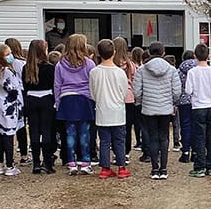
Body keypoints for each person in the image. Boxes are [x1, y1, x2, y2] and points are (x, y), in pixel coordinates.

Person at [133, 41, 180, 179]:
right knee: (164, 137)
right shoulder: (171, 70)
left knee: (153, 137)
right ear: (163, 52)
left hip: (149, 107)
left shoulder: (142, 70)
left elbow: (137, 91)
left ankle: (154, 169)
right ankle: (163, 169)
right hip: (166, 108)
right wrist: (171, 102)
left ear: (149, 52)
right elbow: (177, 91)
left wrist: (141, 101)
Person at [53, 33, 96, 175]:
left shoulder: (60, 64)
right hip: (84, 99)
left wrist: (58, 102)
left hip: (67, 99)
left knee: (69, 133)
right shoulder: (89, 63)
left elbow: (57, 85)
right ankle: (85, 162)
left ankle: (71, 162)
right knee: (84, 133)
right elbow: (92, 83)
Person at [89, 39, 131, 179]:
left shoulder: (94, 72)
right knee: (119, 140)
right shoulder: (120, 72)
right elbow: (124, 92)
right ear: (114, 52)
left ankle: (105, 168)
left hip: (102, 110)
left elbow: (92, 93)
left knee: (104, 141)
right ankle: (121, 167)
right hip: (118, 111)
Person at [186, 43, 211, 177]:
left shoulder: (192, 72)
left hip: (198, 107)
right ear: (208, 56)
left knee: (199, 137)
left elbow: (188, 90)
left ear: (195, 56)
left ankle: (200, 166)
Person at [0, 43, 23, 176]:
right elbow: (12, 89)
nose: (10, 56)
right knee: (9, 135)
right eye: (7, 54)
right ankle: (9, 165)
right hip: (8, 107)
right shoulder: (6, 72)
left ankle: (0, 164)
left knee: (1, 135)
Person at [23, 39, 56, 174]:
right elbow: (54, 86)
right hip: (47, 99)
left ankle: (36, 163)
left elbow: (24, 86)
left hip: (31, 99)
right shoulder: (50, 68)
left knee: (34, 132)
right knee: (47, 131)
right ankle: (47, 162)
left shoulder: (27, 68)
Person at [5, 38, 29, 164]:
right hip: (20, 94)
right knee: (21, 124)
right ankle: (23, 153)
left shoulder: (6, 64)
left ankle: (8, 155)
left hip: (9, 95)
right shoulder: (21, 63)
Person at [112, 37, 137, 159]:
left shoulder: (111, 64)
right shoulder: (130, 65)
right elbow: (134, 81)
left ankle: (116, 151)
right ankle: (126, 152)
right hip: (128, 97)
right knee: (127, 127)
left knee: (114, 126)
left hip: (114, 97)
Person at [176, 49, 197, 163]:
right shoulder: (199, 69)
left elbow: (176, 87)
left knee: (185, 126)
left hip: (184, 101)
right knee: (195, 126)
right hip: (196, 101)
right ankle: (195, 152)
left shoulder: (179, 71)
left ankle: (185, 151)